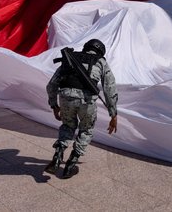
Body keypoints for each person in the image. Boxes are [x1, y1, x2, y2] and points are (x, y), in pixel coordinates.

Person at [44, 38, 119, 178]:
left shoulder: (70, 58)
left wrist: (54, 105)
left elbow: (51, 85)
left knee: (67, 126)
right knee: (86, 130)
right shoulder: (101, 62)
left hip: (66, 98)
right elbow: (110, 89)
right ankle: (71, 164)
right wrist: (113, 115)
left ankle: (57, 156)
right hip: (87, 101)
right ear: (101, 52)